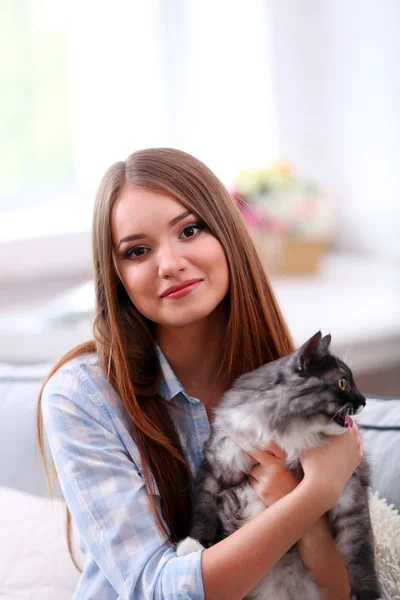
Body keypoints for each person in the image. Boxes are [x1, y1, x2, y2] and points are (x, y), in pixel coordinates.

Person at [37, 147, 363, 600]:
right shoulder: (82, 396)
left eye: (189, 230)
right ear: (117, 277)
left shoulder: (298, 386)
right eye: (137, 251)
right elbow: (157, 589)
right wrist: (314, 494)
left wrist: (300, 506)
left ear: (227, 234)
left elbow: (340, 590)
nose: (168, 264)